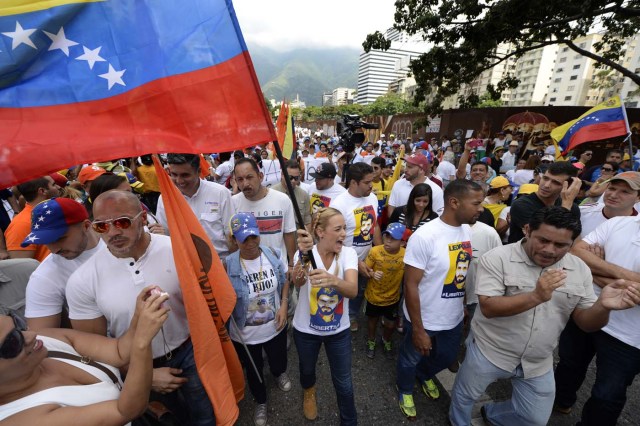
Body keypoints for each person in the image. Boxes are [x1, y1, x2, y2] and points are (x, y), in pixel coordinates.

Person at [449, 206, 640, 426]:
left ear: (573, 243)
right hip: (490, 351)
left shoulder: (579, 269)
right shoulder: (498, 258)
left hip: (538, 361)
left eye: (561, 245)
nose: (550, 250)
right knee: (464, 398)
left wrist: (604, 307)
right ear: (528, 230)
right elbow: (489, 308)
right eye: (543, 240)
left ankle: (492, 414)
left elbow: (586, 323)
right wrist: (536, 296)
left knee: (534, 419)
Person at [65, 190, 215, 425]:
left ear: (143, 219)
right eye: (102, 226)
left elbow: (208, 299)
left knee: (205, 415)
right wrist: (145, 374)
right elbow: (92, 345)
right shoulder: (82, 280)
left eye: (122, 222)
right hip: (134, 366)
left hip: (191, 353)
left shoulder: (178, 250)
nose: (113, 232)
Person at [0, 288, 169, 425]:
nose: (30, 335)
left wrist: (138, 317)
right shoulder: (23, 420)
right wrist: (142, 342)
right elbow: (124, 411)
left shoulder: (46, 340)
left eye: (18, 324)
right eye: (12, 342)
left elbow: (118, 352)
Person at [396, 180, 485, 420]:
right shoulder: (425, 236)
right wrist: (418, 328)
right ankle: (404, 388)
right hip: (425, 317)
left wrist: (463, 304)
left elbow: (460, 270)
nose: (482, 208)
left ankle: (424, 375)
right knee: (410, 357)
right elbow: (411, 285)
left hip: (453, 316)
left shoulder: (466, 229)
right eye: (476, 203)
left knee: (445, 357)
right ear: (454, 202)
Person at [554, 191, 640, 424]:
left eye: (625, 189)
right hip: (587, 308)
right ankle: (560, 402)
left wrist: (595, 270)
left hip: (629, 336)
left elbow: (585, 264)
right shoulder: (619, 223)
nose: (615, 193)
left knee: (607, 395)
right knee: (568, 364)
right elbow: (576, 253)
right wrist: (631, 277)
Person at [291, 208, 358, 424]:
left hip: (338, 332)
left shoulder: (349, 254)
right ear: (320, 231)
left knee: (345, 383)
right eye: (337, 229)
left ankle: (349, 421)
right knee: (307, 370)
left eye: (344, 229)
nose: (343, 234)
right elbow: (297, 282)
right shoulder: (305, 253)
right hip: (306, 331)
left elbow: (353, 290)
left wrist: (333, 280)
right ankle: (309, 391)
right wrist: (302, 258)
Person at [224, 212, 291, 426]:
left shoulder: (273, 253)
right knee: (254, 372)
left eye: (254, 236)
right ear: (234, 240)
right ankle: (260, 401)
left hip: (275, 327)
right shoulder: (228, 265)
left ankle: (279, 373)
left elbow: (285, 279)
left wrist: (283, 304)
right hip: (245, 335)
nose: (250, 243)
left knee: (279, 359)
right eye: (244, 239)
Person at [23, 198, 104, 330]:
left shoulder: (118, 241)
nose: (54, 250)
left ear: (86, 226)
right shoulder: (45, 276)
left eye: (60, 238)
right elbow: (44, 336)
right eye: (46, 241)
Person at [331, 162, 382, 332]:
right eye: (367, 182)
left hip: (368, 256)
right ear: (353, 183)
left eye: (372, 181)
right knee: (345, 290)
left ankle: (353, 313)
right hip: (345, 259)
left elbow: (374, 226)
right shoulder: (339, 204)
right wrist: (357, 262)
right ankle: (344, 317)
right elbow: (335, 239)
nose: (371, 186)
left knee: (360, 290)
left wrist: (380, 251)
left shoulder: (372, 198)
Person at [157, 153, 234, 261]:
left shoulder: (220, 193)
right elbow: (166, 237)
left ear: (198, 172)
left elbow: (231, 236)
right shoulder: (165, 199)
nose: (179, 181)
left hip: (221, 265)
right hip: (188, 268)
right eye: (174, 174)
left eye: (185, 175)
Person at [232, 158, 296, 270]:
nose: (245, 183)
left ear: (260, 176)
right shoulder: (232, 203)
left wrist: (291, 264)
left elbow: (289, 234)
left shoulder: (282, 200)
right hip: (248, 272)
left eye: (249, 177)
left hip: (278, 269)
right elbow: (232, 240)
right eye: (240, 179)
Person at [364, 222, 409, 360]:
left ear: (402, 243)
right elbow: (365, 269)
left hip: (393, 298)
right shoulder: (375, 251)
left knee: (390, 324)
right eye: (386, 236)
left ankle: (386, 340)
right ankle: (371, 340)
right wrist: (371, 274)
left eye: (393, 239)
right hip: (374, 296)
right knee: (373, 321)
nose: (388, 241)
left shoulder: (406, 255)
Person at [508, 161, 582, 243]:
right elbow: (551, 239)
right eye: (545, 178)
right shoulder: (522, 205)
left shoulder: (573, 208)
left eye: (555, 182)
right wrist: (566, 207)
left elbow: (575, 242)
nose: (546, 185)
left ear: (569, 186)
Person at [5, 176, 61, 261]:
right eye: (54, 185)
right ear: (42, 191)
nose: (58, 187)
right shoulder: (21, 224)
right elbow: (23, 269)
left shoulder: (59, 209)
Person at [577, 171, 640, 237]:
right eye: (612, 188)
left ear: (638, 198)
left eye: (625, 192)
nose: (613, 195)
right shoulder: (582, 212)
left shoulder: (637, 226)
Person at [388, 152, 445, 218]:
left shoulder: (436, 190)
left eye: (410, 167)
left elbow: (438, 217)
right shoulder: (398, 184)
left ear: (421, 169)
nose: (405, 170)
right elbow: (391, 208)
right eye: (406, 166)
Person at [271, 159, 312, 233]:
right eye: (290, 177)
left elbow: (307, 221)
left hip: (298, 239)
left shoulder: (304, 195)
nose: (293, 181)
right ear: (282, 175)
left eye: (296, 178)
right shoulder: (271, 193)